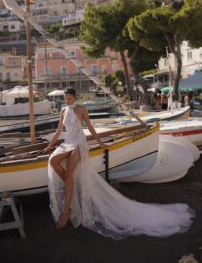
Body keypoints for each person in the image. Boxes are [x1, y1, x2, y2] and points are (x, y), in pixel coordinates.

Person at [44, 87, 194, 240]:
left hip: (78, 143)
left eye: (69, 98)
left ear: (75, 98)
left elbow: (90, 128)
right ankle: (71, 185)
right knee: (53, 161)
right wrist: (50, 146)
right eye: (65, 98)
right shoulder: (63, 111)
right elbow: (58, 131)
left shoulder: (82, 109)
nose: (67, 101)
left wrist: (101, 143)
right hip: (67, 142)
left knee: (69, 173)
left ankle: (67, 212)